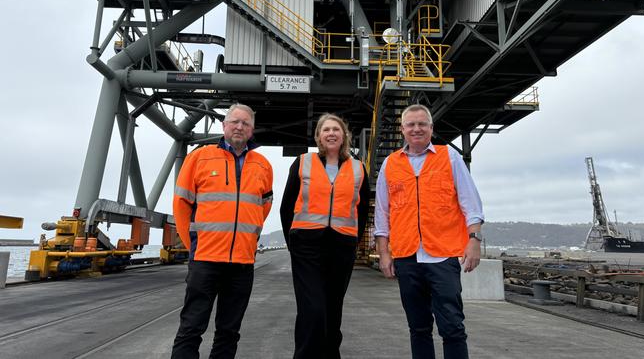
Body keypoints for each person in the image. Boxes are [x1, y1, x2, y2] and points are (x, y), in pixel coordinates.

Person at [374, 104, 484, 359]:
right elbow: (382, 214)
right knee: (418, 327)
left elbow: (471, 202)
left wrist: (474, 239)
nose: (416, 129)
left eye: (422, 124)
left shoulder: (450, 157)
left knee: (453, 326)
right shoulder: (390, 165)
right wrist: (384, 254)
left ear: (431, 128)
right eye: (411, 124)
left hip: (443, 256)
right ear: (402, 130)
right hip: (407, 257)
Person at [171, 103, 274, 359]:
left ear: (252, 131)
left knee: (229, 331)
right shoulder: (200, 157)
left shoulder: (263, 165)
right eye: (235, 122)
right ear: (224, 125)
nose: (240, 127)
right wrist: (193, 245)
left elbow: (264, 206)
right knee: (191, 327)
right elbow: (181, 205)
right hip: (205, 259)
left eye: (246, 124)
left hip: (241, 263)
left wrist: (248, 240)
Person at [280, 113, 370, 359]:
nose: (331, 133)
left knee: (333, 308)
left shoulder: (358, 168)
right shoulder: (302, 162)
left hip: (342, 246)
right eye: (326, 130)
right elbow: (286, 206)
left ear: (344, 136)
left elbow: (362, 211)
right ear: (318, 136)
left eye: (336, 129)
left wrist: (353, 241)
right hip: (307, 246)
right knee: (313, 308)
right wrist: (293, 243)